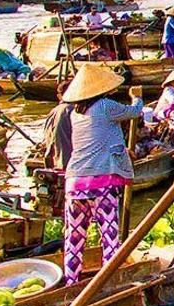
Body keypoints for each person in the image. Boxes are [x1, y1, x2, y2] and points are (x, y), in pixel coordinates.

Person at [61, 65, 142, 283]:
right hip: (100, 183)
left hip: (74, 182)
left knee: (74, 237)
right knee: (109, 236)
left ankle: (71, 281)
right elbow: (134, 113)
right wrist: (136, 97)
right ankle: (109, 280)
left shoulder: (75, 113)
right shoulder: (105, 106)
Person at [40, 80, 75, 171]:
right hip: (67, 163)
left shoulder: (53, 111)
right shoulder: (72, 110)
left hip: (54, 161)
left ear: (59, 97)